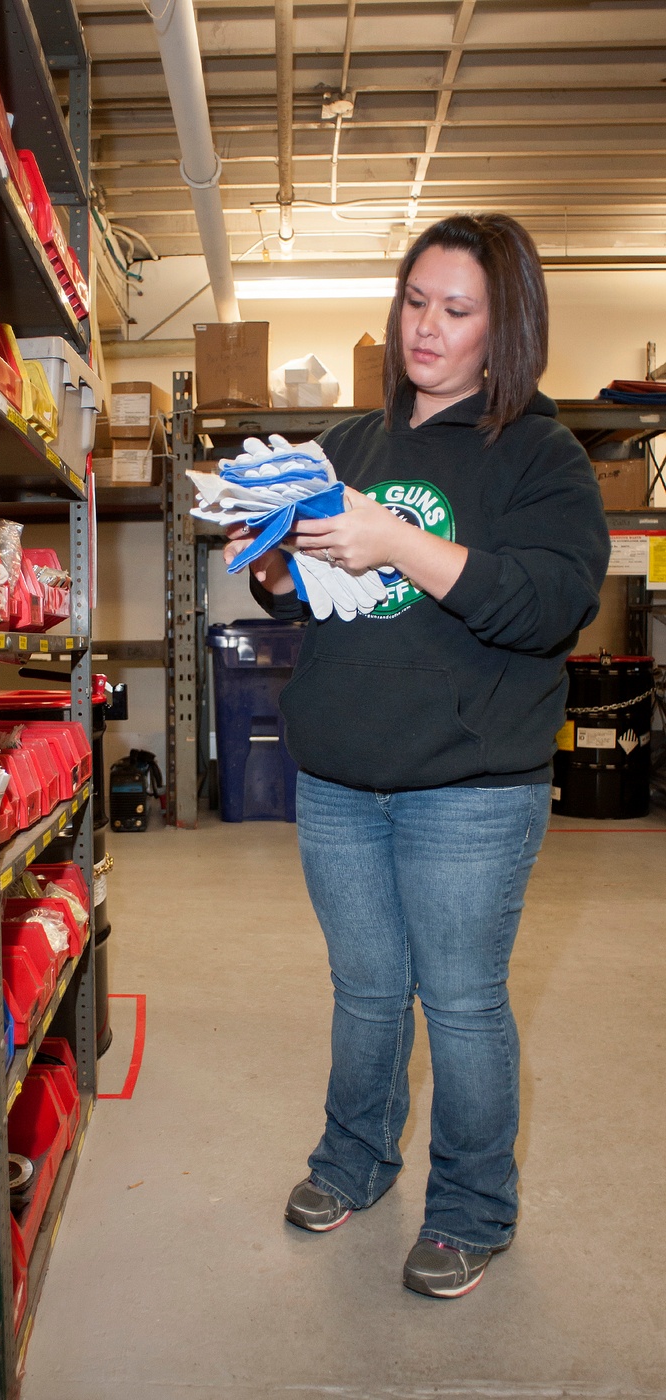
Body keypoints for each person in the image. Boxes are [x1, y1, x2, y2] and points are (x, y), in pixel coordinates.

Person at [225, 214, 610, 1299]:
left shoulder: (541, 455)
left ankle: (472, 1208)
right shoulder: (349, 446)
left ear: (505, 329)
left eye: (456, 310)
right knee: (364, 989)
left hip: (469, 786)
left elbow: (547, 603)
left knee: (461, 999)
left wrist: (396, 539)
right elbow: (306, 591)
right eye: (414, 303)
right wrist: (271, 567)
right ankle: (354, 1159)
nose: (426, 330)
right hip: (342, 771)